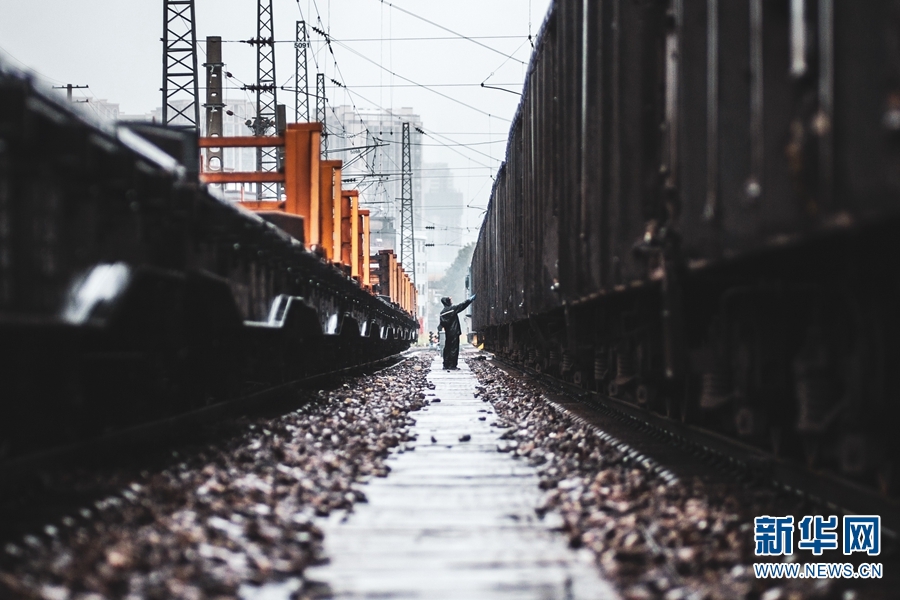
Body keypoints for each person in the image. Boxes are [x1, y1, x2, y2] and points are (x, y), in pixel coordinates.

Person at [436, 294, 475, 370]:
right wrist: (469, 300)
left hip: (448, 333)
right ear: (447, 302)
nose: (451, 302)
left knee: (447, 348)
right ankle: (453, 365)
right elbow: (462, 306)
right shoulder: (452, 309)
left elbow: (442, 324)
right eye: (450, 300)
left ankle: (446, 364)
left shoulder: (442, 313)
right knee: (454, 348)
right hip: (454, 332)